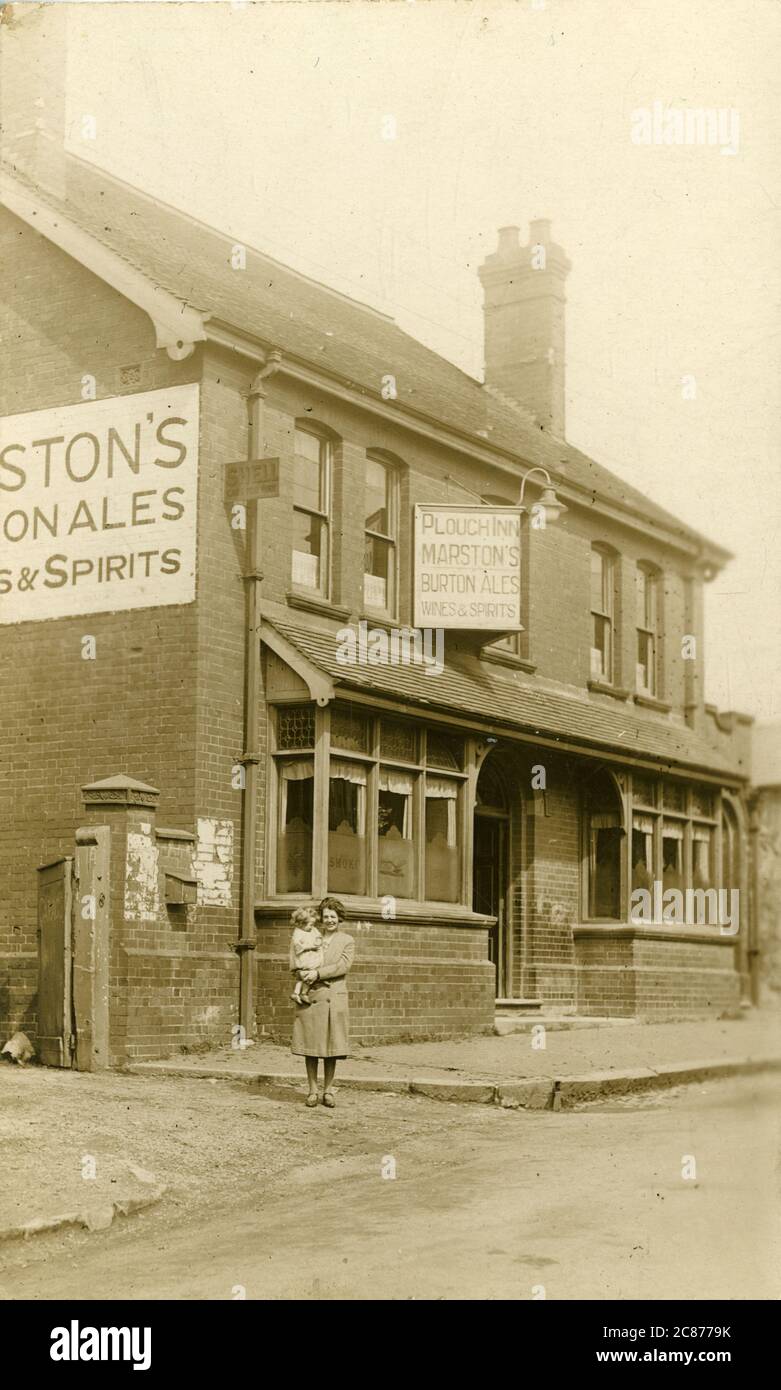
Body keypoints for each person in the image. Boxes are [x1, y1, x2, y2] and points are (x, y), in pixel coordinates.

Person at [290, 896, 354, 1108]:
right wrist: (300, 973)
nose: (329, 920)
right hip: (312, 996)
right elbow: (294, 957)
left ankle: (328, 1090)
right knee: (311, 1046)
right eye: (326, 916)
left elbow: (342, 966)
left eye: (333, 916)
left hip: (334, 997)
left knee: (331, 1047)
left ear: (340, 918)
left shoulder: (347, 941)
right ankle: (312, 1090)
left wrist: (317, 973)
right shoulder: (310, 934)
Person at [289, 906, 323, 1006]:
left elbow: (318, 936)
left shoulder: (312, 930)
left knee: (305, 977)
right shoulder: (298, 933)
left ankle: (297, 993)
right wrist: (311, 947)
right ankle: (302, 993)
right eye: (310, 925)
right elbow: (298, 946)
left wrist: (318, 941)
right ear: (301, 924)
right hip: (304, 959)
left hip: (312, 957)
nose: (312, 927)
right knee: (307, 975)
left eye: (313, 924)